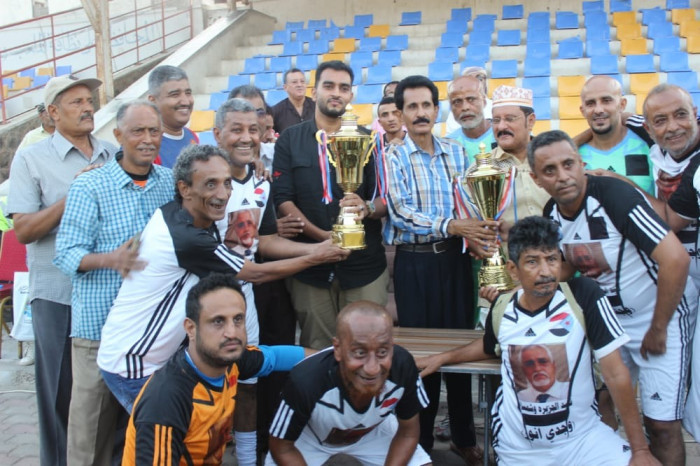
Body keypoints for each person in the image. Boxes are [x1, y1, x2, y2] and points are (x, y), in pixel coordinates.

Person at [96, 144, 346, 414]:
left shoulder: (191, 217)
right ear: (184, 189)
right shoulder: (187, 238)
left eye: (227, 183)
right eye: (210, 184)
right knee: (178, 437)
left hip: (161, 360)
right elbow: (256, 273)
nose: (223, 193)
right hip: (134, 365)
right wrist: (318, 255)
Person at [416, 216, 660, 466]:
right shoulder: (503, 308)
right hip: (519, 450)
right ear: (513, 270)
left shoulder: (582, 297)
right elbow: (491, 346)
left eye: (551, 259)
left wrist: (641, 449)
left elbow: (616, 373)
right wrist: (443, 358)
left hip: (583, 441)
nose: (545, 271)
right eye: (532, 261)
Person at [530, 130, 695, 466]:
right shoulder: (552, 214)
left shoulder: (615, 196)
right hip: (610, 324)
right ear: (536, 179)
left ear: (581, 163)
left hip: (659, 317)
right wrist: (525, 286)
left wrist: (658, 327)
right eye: (550, 170)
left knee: (661, 426)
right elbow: (566, 266)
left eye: (568, 164)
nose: (562, 176)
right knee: (600, 410)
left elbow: (676, 260)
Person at [213, 97, 351, 463]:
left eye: (253, 130)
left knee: (248, 380)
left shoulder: (259, 185)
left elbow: (261, 242)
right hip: (198, 302)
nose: (246, 138)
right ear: (217, 134)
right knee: (206, 384)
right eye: (237, 130)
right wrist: (315, 254)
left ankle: (248, 460)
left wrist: (319, 247)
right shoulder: (205, 181)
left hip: (242, 300)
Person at [52, 100, 173, 466]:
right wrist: (111, 259)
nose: (148, 139)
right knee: (90, 436)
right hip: (98, 332)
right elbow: (66, 254)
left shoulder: (169, 183)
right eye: (138, 131)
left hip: (151, 334)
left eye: (154, 131)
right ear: (119, 135)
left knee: (146, 435)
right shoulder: (90, 185)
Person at [384, 75, 497, 463]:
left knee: (459, 347)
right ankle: (422, 442)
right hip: (415, 264)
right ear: (401, 113)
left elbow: (471, 205)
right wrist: (452, 225)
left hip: (457, 260)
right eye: (411, 107)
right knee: (420, 356)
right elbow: (400, 213)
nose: (420, 113)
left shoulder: (456, 152)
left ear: (436, 110)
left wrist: (479, 235)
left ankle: (464, 436)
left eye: (426, 105)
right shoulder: (393, 156)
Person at [7, 74, 116, 466]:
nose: (88, 108)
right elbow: (23, 230)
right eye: (76, 102)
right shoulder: (31, 159)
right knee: (60, 395)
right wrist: (74, 196)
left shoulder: (112, 155)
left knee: (109, 393)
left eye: (89, 101)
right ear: (53, 112)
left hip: (109, 293)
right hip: (58, 294)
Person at [121, 273, 312, 464]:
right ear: (190, 328)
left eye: (238, 319)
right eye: (218, 321)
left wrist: (328, 356)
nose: (232, 332)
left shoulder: (229, 358)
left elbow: (275, 357)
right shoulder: (167, 400)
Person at [272, 60, 389, 350]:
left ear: (351, 95)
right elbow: (283, 198)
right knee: (318, 349)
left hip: (363, 265)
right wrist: (323, 238)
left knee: (366, 347)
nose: (336, 93)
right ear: (314, 92)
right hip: (310, 267)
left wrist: (366, 207)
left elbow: (385, 198)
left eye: (343, 88)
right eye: (329, 86)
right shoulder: (290, 140)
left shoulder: (370, 140)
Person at [267, 301, 431, 466]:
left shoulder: (402, 366)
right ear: (337, 349)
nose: (372, 369)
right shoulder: (305, 381)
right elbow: (282, 448)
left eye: (382, 352)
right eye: (359, 353)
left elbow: (408, 433)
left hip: (374, 432)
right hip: (308, 437)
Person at [640, 84, 700, 442]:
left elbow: (671, 220)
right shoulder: (652, 139)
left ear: (696, 114)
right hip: (684, 280)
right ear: (648, 128)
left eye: (681, 115)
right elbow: (615, 119)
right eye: (660, 120)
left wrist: (620, 185)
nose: (673, 126)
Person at [578, 76, 654, 194]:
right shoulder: (574, 158)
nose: (598, 110)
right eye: (590, 103)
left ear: (622, 105)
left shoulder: (650, 146)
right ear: (582, 111)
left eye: (606, 101)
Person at [490, 85, 550, 228]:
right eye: (496, 120)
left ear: (530, 121)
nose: (501, 127)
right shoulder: (481, 169)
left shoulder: (552, 160)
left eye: (510, 119)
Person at [147, 65, 198, 168]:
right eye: (175, 94)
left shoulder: (191, 135)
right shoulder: (145, 146)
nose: (185, 101)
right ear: (153, 101)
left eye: (188, 93)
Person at [446, 75, 495, 165]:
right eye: (457, 102)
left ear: (484, 102)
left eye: (471, 99)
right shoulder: (448, 146)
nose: (465, 107)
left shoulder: (502, 136)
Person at [229, 84, 275, 172]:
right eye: (244, 112)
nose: (253, 119)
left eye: (259, 113)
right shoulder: (217, 163)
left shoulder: (280, 153)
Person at [271, 68, 315, 134]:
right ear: (285, 87)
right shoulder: (276, 111)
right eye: (294, 82)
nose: (299, 85)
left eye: (302, 81)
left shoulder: (317, 106)